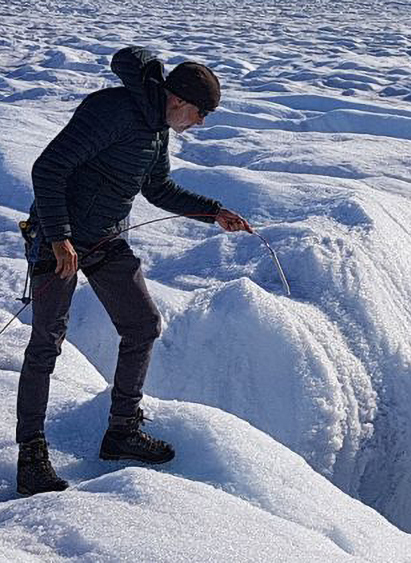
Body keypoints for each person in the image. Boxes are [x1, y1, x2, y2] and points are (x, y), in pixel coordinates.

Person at [16, 46, 253, 496]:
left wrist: (214, 212)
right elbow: (48, 168)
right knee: (46, 344)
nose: (199, 125)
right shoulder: (113, 111)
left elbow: (157, 188)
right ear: (180, 101)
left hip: (105, 239)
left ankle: (121, 431)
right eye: (201, 115)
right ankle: (31, 455)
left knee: (142, 324)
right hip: (57, 240)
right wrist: (60, 236)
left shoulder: (158, 127)